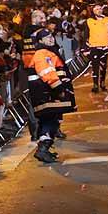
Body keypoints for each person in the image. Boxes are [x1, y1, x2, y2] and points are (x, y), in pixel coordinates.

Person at [27, 28, 75, 163]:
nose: (51, 39)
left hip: (46, 92)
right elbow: (47, 72)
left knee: (50, 120)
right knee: (51, 120)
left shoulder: (49, 52)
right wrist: (58, 87)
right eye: (47, 37)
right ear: (40, 40)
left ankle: (45, 149)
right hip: (47, 93)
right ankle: (42, 150)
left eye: (51, 36)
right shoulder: (43, 53)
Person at [85, 5, 108, 93]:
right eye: (96, 9)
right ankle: (95, 84)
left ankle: (102, 83)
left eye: (100, 8)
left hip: (105, 47)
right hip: (94, 47)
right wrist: (85, 47)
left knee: (103, 66)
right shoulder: (89, 21)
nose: (99, 10)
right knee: (95, 66)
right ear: (93, 11)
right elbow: (86, 34)